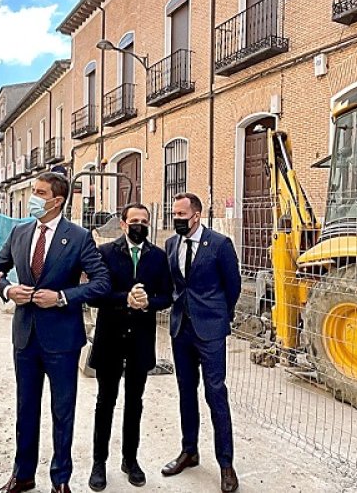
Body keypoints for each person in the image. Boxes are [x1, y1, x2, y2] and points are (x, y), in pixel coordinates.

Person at [0, 172, 111, 493]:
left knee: (63, 412)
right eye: (34, 191)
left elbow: (102, 282)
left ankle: (60, 481)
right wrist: (6, 289)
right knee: (25, 408)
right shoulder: (19, 232)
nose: (33, 197)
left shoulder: (79, 237)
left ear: (56, 200)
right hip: (25, 338)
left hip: (62, 341)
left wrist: (62, 297)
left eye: (39, 192)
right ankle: (23, 475)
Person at [87, 203, 173, 491]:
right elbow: (96, 296)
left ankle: (130, 460)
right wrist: (125, 297)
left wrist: (149, 301)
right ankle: (99, 463)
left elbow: (167, 295)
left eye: (144, 220)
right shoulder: (106, 254)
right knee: (105, 401)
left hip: (140, 340)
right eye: (134, 220)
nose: (139, 225)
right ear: (123, 224)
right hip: (110, 338)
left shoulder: (159, 257)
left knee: (134, 402)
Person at [160, 192, 241, 492]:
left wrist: (220, 317)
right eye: (174, 214)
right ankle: (189, 451)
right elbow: (174, 285)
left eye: (182, 214)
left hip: (211, 330)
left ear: (197, 215)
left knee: (216, 392)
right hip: (181, 329)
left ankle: (226, 464)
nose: (177, 219)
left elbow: (233, 287)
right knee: (185, 391)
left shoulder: (220, 244)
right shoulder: (171, 244)